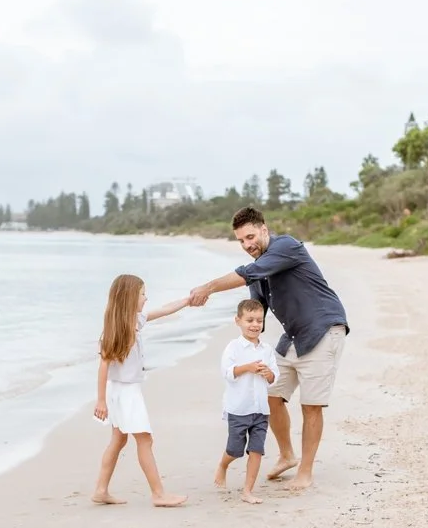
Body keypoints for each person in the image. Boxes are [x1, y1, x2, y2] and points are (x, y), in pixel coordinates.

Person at [183, 213, 349, 495]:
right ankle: (287, 455)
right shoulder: (258, 272)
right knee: (270, 396)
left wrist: (208, 288)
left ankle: (305, 470)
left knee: (311, 405)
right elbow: (254, 311)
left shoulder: (286, 247)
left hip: (324, 328)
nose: (247, 244)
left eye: (251, 237)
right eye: (241, 240)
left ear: (264, 230)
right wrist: (240, 347)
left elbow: (245, 273)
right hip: (294, 335)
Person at [91, 273, 188, 507]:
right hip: (125, 393)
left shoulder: (133, 321)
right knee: (145, 440)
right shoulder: (117, 330)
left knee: (118, 440)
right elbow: (103, 366)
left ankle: (101, 490)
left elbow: (164, 309)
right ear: (130, 297)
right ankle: (158, 494)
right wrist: (100, 401)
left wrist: (188, 300)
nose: (146, 298)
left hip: (122, 391)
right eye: (143, 294)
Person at [215, 299, 277, 503]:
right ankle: (223, 465)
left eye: (259, 320)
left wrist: (268, 373)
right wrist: (247, 368)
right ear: (238, 321)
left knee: (257, 450)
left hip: (260, 409)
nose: (255, 324)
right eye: (249, 320)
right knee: (235, 449)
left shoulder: (267, 350)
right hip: (238, 408)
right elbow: (227, 373)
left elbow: (274, 376)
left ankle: (248, 491)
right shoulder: (233, 348)